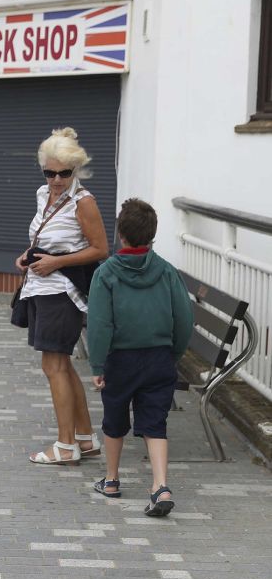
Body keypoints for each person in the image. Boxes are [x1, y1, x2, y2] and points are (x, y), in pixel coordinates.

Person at [87, 199, 193, 516]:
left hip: (120, 360)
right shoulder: (167, 272)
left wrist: (97, 364)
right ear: (153, 235)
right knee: (155, 423)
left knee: (115, 418)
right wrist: (172, 354)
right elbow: (184, 319)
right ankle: (160, 486)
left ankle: (111, 480)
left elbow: (99, 324)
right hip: (160, 357)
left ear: (121, 234)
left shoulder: (106, 274)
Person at [15, 127, 108, 465]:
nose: (56, 179)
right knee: (61, 365)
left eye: (64, 173)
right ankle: (84, 438)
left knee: (53, 364)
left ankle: (65, 445)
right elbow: (48, 237)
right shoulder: (45, 195)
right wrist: (27, 256)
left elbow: (100, 249)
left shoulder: (84, 202)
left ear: (76, 170)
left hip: (63, 292)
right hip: (39, 288)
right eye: (50, 172)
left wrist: (57, 262)